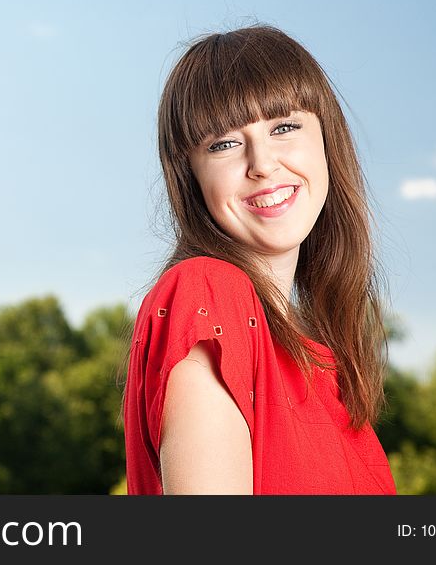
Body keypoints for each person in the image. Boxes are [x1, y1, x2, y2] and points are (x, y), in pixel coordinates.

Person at [122, 25, 397, 495]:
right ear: (190, 174)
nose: (263, 163)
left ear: (328, 141)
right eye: (223, 144)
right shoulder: (206, 294)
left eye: (284, 128)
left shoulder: (319, 361)